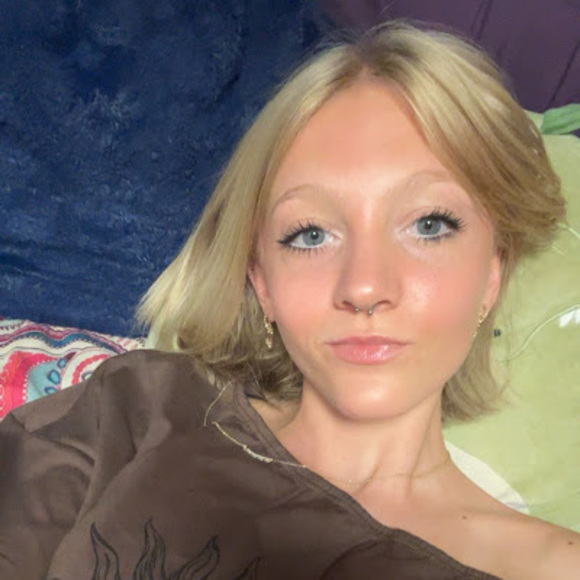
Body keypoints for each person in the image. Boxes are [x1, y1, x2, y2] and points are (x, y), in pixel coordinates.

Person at [0, 22, 578, 580]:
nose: (364, 287)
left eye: (429, 225)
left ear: (492, 275)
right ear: (262, 282)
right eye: (311, 234)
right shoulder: (137, 413)